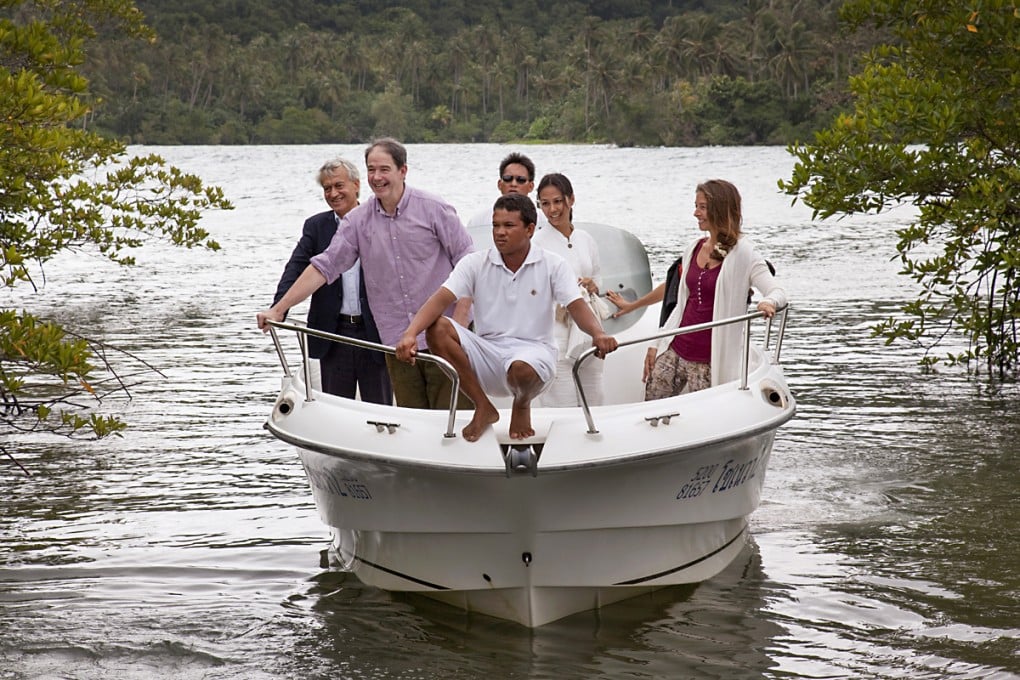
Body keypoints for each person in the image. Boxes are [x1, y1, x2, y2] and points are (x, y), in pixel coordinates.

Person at [257, 137, 475, 410]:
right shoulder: (358, 222)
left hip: (445, 336)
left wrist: (461, 325)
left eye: (384, 169)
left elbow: (469, 263)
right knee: (414, 423)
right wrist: (279, 310)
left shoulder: (434, 208)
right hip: (397, 343)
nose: (377, 177)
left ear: (402, 170)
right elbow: (324, 266)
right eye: (371, 169)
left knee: (454, 418)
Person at [395, 194, 618, 442]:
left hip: (534, 357)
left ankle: (521, 405)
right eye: (496, 225)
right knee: (436, 328)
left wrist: (598, 333)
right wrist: (410, 334)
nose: (500, 232)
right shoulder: (475, 263)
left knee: (520, 367)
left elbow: (576, 305)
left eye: (508, 226)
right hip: (487, 352)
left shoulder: (553, 264)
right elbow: (441, 298)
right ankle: (483, 407)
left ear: (530, 229)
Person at [644, 179, 787, 400]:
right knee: (652, 409)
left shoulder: (744, 253)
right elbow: (683, 304)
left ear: (719, 209)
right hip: (675, 350)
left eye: (702, 207)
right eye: (696, 206)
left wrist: (769, 303)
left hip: (709, 361)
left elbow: (777, 291)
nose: (695, 213)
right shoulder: (694, 247)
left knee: (702, 417)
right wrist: (657, 343)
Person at [271, 157, 392, 404]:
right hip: (333, 332)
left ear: (357, 185)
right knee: (336, 408)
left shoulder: (381, 221)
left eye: (339, 186)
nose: (333, 194)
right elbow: (295, 268)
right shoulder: (316, 227)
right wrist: (277, 309)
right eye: (327, 188)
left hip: (375, 331)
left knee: (380, 408)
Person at [531, 172, 606, 407]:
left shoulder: (585, 239)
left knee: (594, 396)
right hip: (556, 333)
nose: (552, 209)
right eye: (545, 204)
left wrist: (593, 285)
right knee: (560, 401)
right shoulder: (537, 243)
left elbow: (597, 277)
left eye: (557, 201)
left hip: (587, 330)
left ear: (570, 200)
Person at [465, 152, 549, 229]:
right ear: (499, 184)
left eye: (521, 180)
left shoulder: (545, 222)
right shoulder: (478, 222)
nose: (513, 184)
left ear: (531, 186)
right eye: (508, 178)